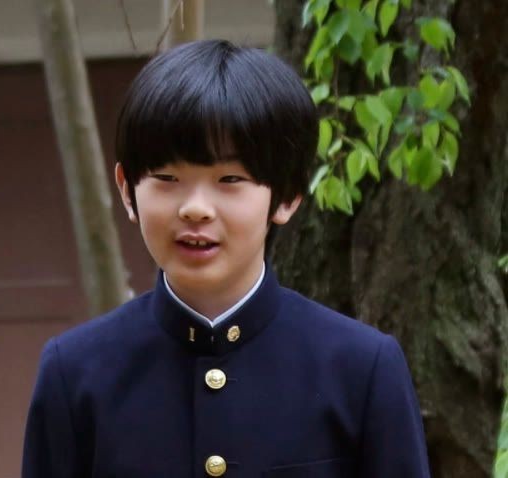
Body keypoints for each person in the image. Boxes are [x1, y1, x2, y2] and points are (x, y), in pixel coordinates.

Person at [22, 39, 431, 478]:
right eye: (167, 177)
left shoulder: (361, 368)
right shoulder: (75, 373)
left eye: (230, 179)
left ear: (287, 195)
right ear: (127, 190)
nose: (195, 209)